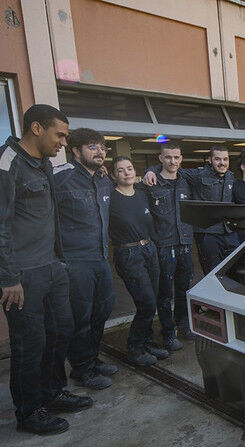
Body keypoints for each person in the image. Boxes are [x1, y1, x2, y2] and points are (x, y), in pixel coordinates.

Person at [0, 104, 88, 436]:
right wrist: (7, 277)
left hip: (50, 267)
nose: (63, 142)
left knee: (60, 331)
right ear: (36, 128)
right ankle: (29, 412)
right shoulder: (1, 165)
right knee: (30, 343)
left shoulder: (41, 165)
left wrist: (60, 261)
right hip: (20, 274)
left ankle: (52, 394)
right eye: (60, 135)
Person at [52, 128, 116, 390]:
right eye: (92, 147)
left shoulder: (102, 179)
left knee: (102, 310)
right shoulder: (61, 179)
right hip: (75, 260)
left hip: (100, 256)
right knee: (81, 316)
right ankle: (82, 368)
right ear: (75, 151)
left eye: (102, 147)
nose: (99, 151)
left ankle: (92, 357)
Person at [108, 156, 171, 363]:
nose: (126, 173)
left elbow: (162, 172)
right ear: (113, 175)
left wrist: (152, 169)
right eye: (120, 170)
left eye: (129, 168)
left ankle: (147, 342)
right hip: (128, 254)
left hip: (149, 249)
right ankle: (135, 348)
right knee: (146, 303)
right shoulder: (110, 198)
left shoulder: (143, 193)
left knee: (152, 301)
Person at [144, 145, 238, 275]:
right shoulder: (197, 175)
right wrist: (150, 170)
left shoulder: (230, 176)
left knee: (235, 270)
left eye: (225, 159)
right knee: (213, 274)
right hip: (208, 234)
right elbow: (171, 167)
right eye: (217, 159)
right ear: (210, 160)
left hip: (229, 232)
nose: (222, 163)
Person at [146, 143, 195, 350]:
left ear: (181, 159)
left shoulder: (187, 180)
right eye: (168, 157)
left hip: (185, 243)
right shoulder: (152, 183)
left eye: (176, 157)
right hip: (164, 246)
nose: (172, 161)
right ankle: (168, 332)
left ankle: (183, 325)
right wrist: (149, 171)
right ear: (160, 159)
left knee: (184, 289)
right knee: (164, 293)